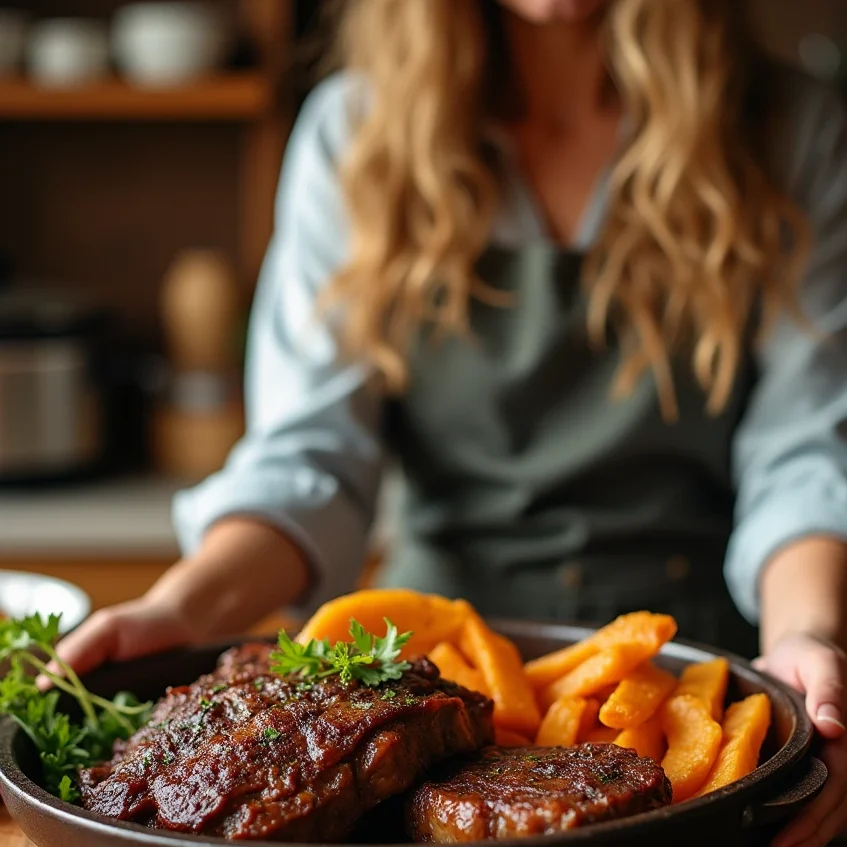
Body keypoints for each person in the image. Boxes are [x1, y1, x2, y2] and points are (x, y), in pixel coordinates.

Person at [56, 0, 847, 843]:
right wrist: (181, 609)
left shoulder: (791, 131)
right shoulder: (354, 131)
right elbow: (308, 459)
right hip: (415, 682)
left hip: (697, 672)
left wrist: (807, 642)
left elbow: (806, 456)